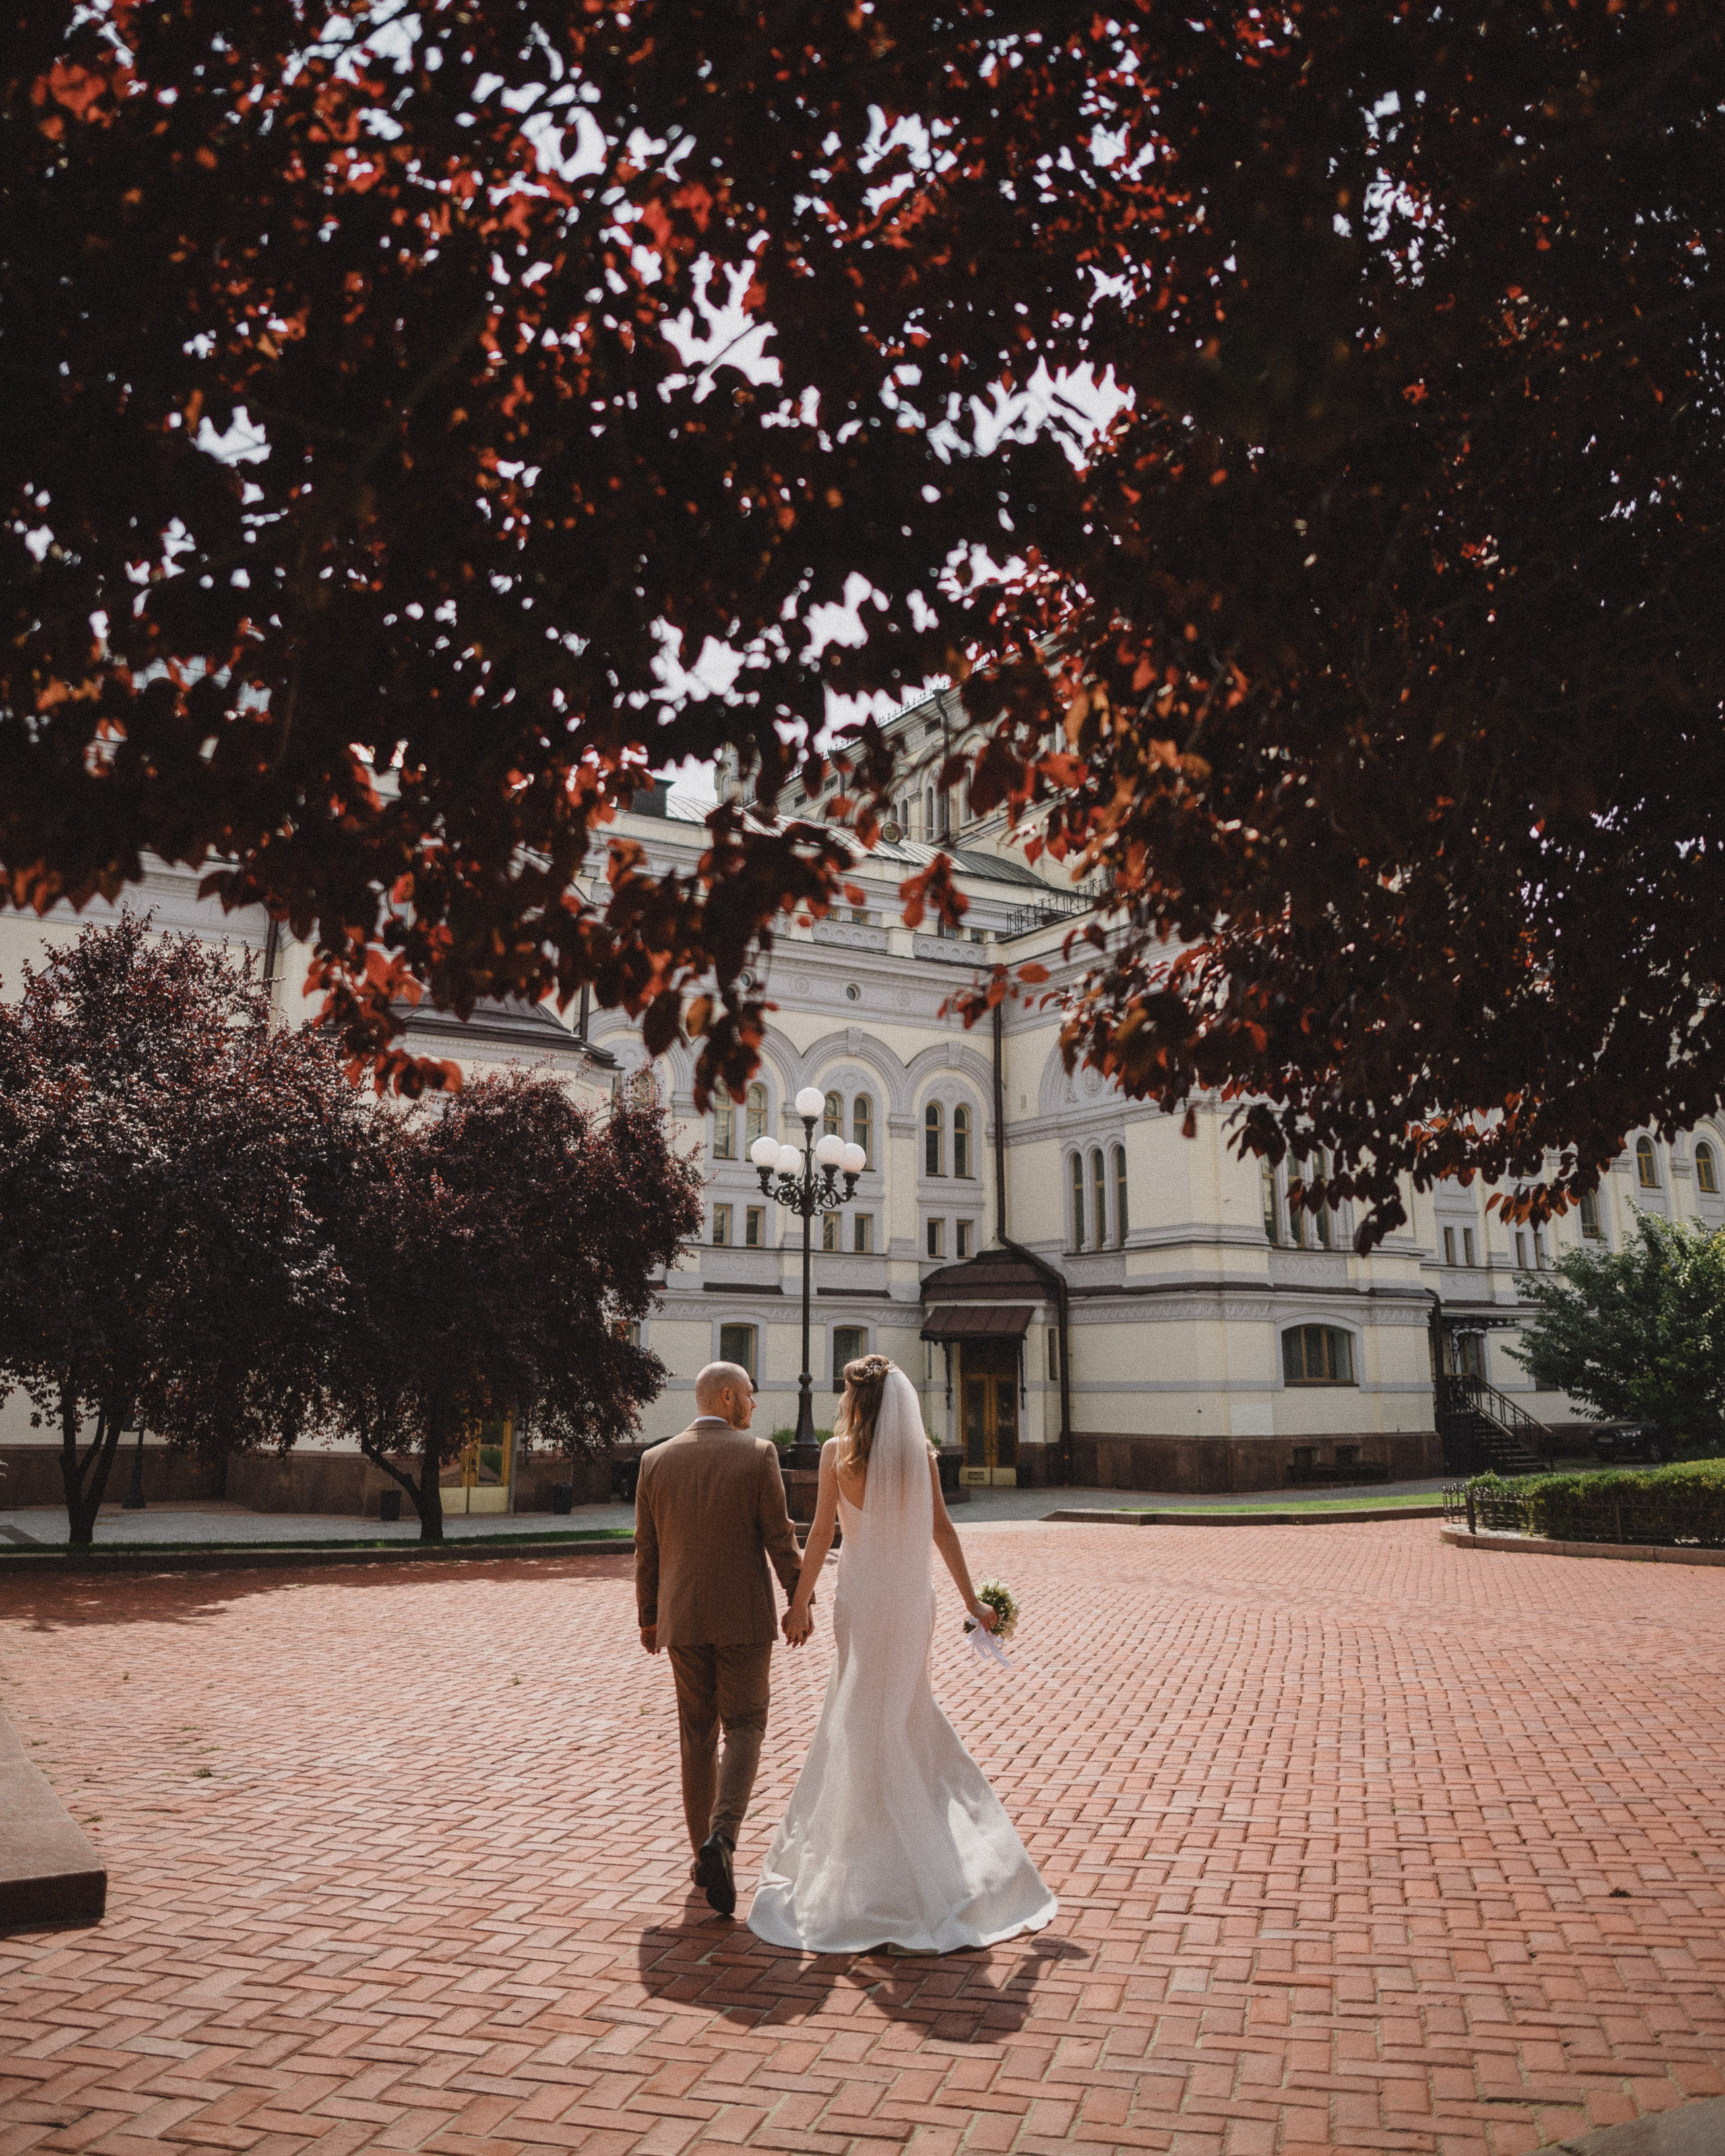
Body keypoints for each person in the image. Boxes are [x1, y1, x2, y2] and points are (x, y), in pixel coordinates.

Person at [747, 1354, 1057, 1954]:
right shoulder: (921, 1457)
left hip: (861, 1598)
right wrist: (974, 1604)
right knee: (901, 1711)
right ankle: (904, 1842)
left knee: (862, 1711)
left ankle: (871, 1851)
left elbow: (820, 1533)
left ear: (855, 1402)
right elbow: (943, 1529)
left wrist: (800, 1603)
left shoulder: (839, 1453)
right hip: (911, 1599)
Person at [635, 1359, 806, 1918]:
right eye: (750, 1396)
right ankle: (724, 1840)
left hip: (682, 1620)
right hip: (743, 1619)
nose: (754, 1406)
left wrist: (649, 1615)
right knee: (748, 1725)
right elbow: (779, 1538)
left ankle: (701, 1860)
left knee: (697, 1733)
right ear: (728, 1397)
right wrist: (798, 1600)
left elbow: (648, 1549)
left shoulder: (654, 1460)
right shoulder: (756, 1455)